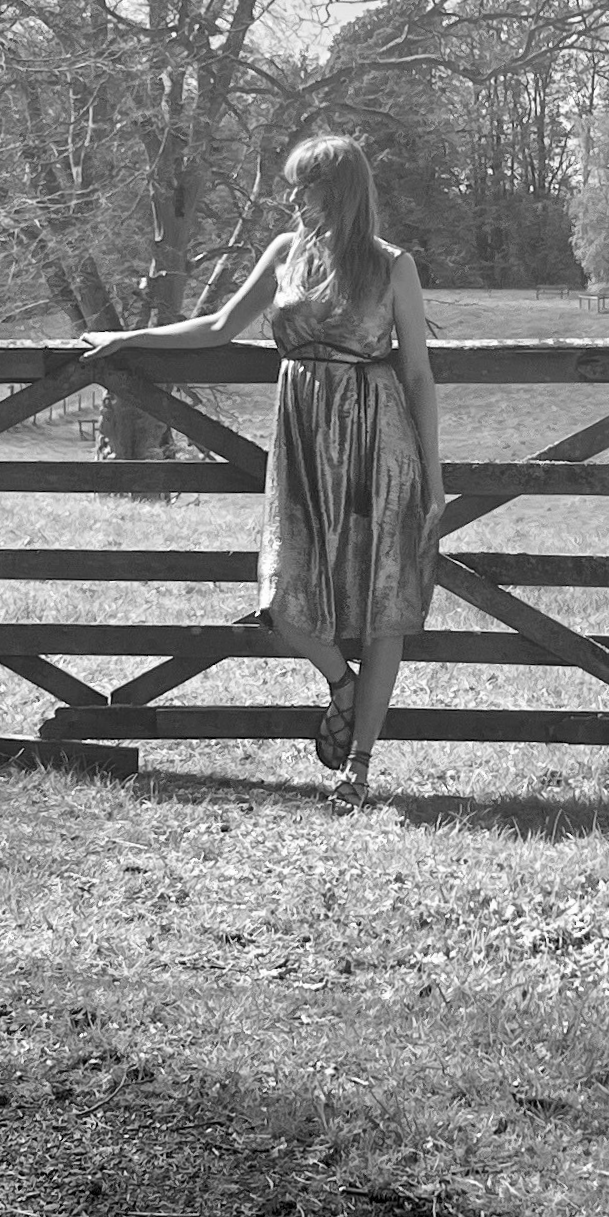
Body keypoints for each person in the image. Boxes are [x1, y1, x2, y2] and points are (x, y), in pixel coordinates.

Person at [84, 135, 444, 808]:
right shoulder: (286, 253)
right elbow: (219, 326)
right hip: (303, 441)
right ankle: (341, 682)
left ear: (336, 189)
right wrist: (129, 339)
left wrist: (433, 475)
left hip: (378, 446)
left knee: (383, 604)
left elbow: (419, 374)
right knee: (284, 596)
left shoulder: (392, 265)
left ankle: (358, 770)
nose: (294, 199)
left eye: (304, 187)